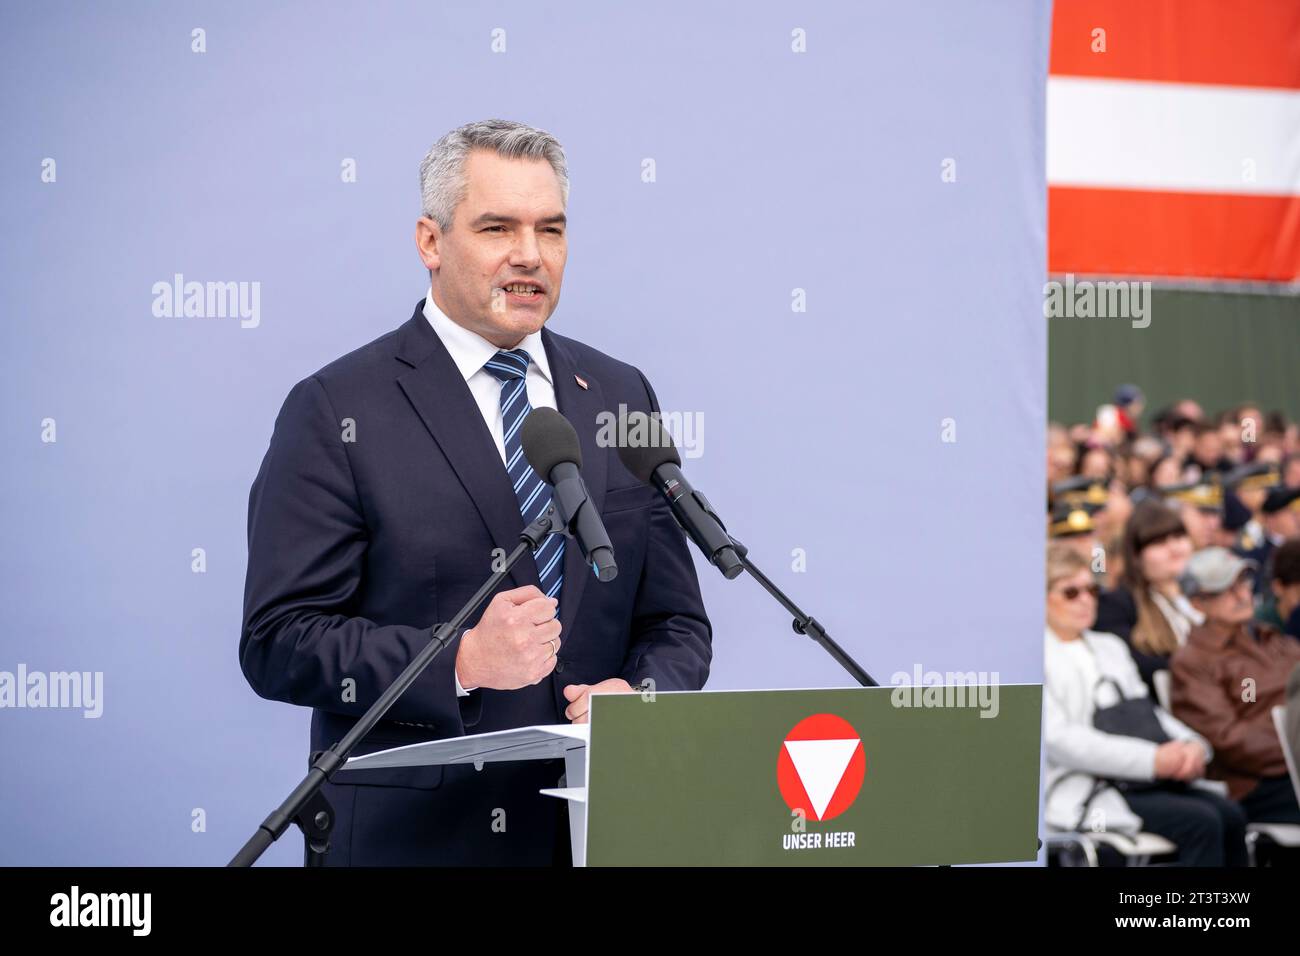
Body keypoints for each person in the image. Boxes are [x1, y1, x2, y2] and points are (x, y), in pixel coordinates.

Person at [238, 119, 712, 866]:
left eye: (550, 230)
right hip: (420, 845)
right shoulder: (336, 408)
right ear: (430, 241)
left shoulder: (619, 393)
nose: (530, 255)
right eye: (497, 228)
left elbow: (678, 622)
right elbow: (279, 641)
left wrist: (642, 697)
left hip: (605, 834)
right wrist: (458, 660)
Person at [1044, 544, 1247, 866]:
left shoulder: (1109, 646)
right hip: (1087, 787)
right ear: (1043, 599)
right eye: (1071, 592)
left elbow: (1147, 712)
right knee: (1200, 822)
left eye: (1092, 590)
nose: (1086, 600)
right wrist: (1152, 760)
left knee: (1231, 815)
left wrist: (1192, 745)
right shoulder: (1037, 655)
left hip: (1143, 780)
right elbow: (1060, 740)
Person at [1170, 548, 1300, 825]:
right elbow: (1229, 740)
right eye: (1224, 590)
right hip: (1258, 785)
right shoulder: (1193, 661)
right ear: (1197, 604)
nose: (1242, 594)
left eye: (1243, 582)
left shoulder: (1272, 638)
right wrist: (1293, 748)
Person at [1095, 500, 1202, 700]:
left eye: (1179, 537)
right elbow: (1135, 667)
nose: (1174, 548)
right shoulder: (1117, 605)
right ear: (1136, 556)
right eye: (1159, 543)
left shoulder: (1205, 596)